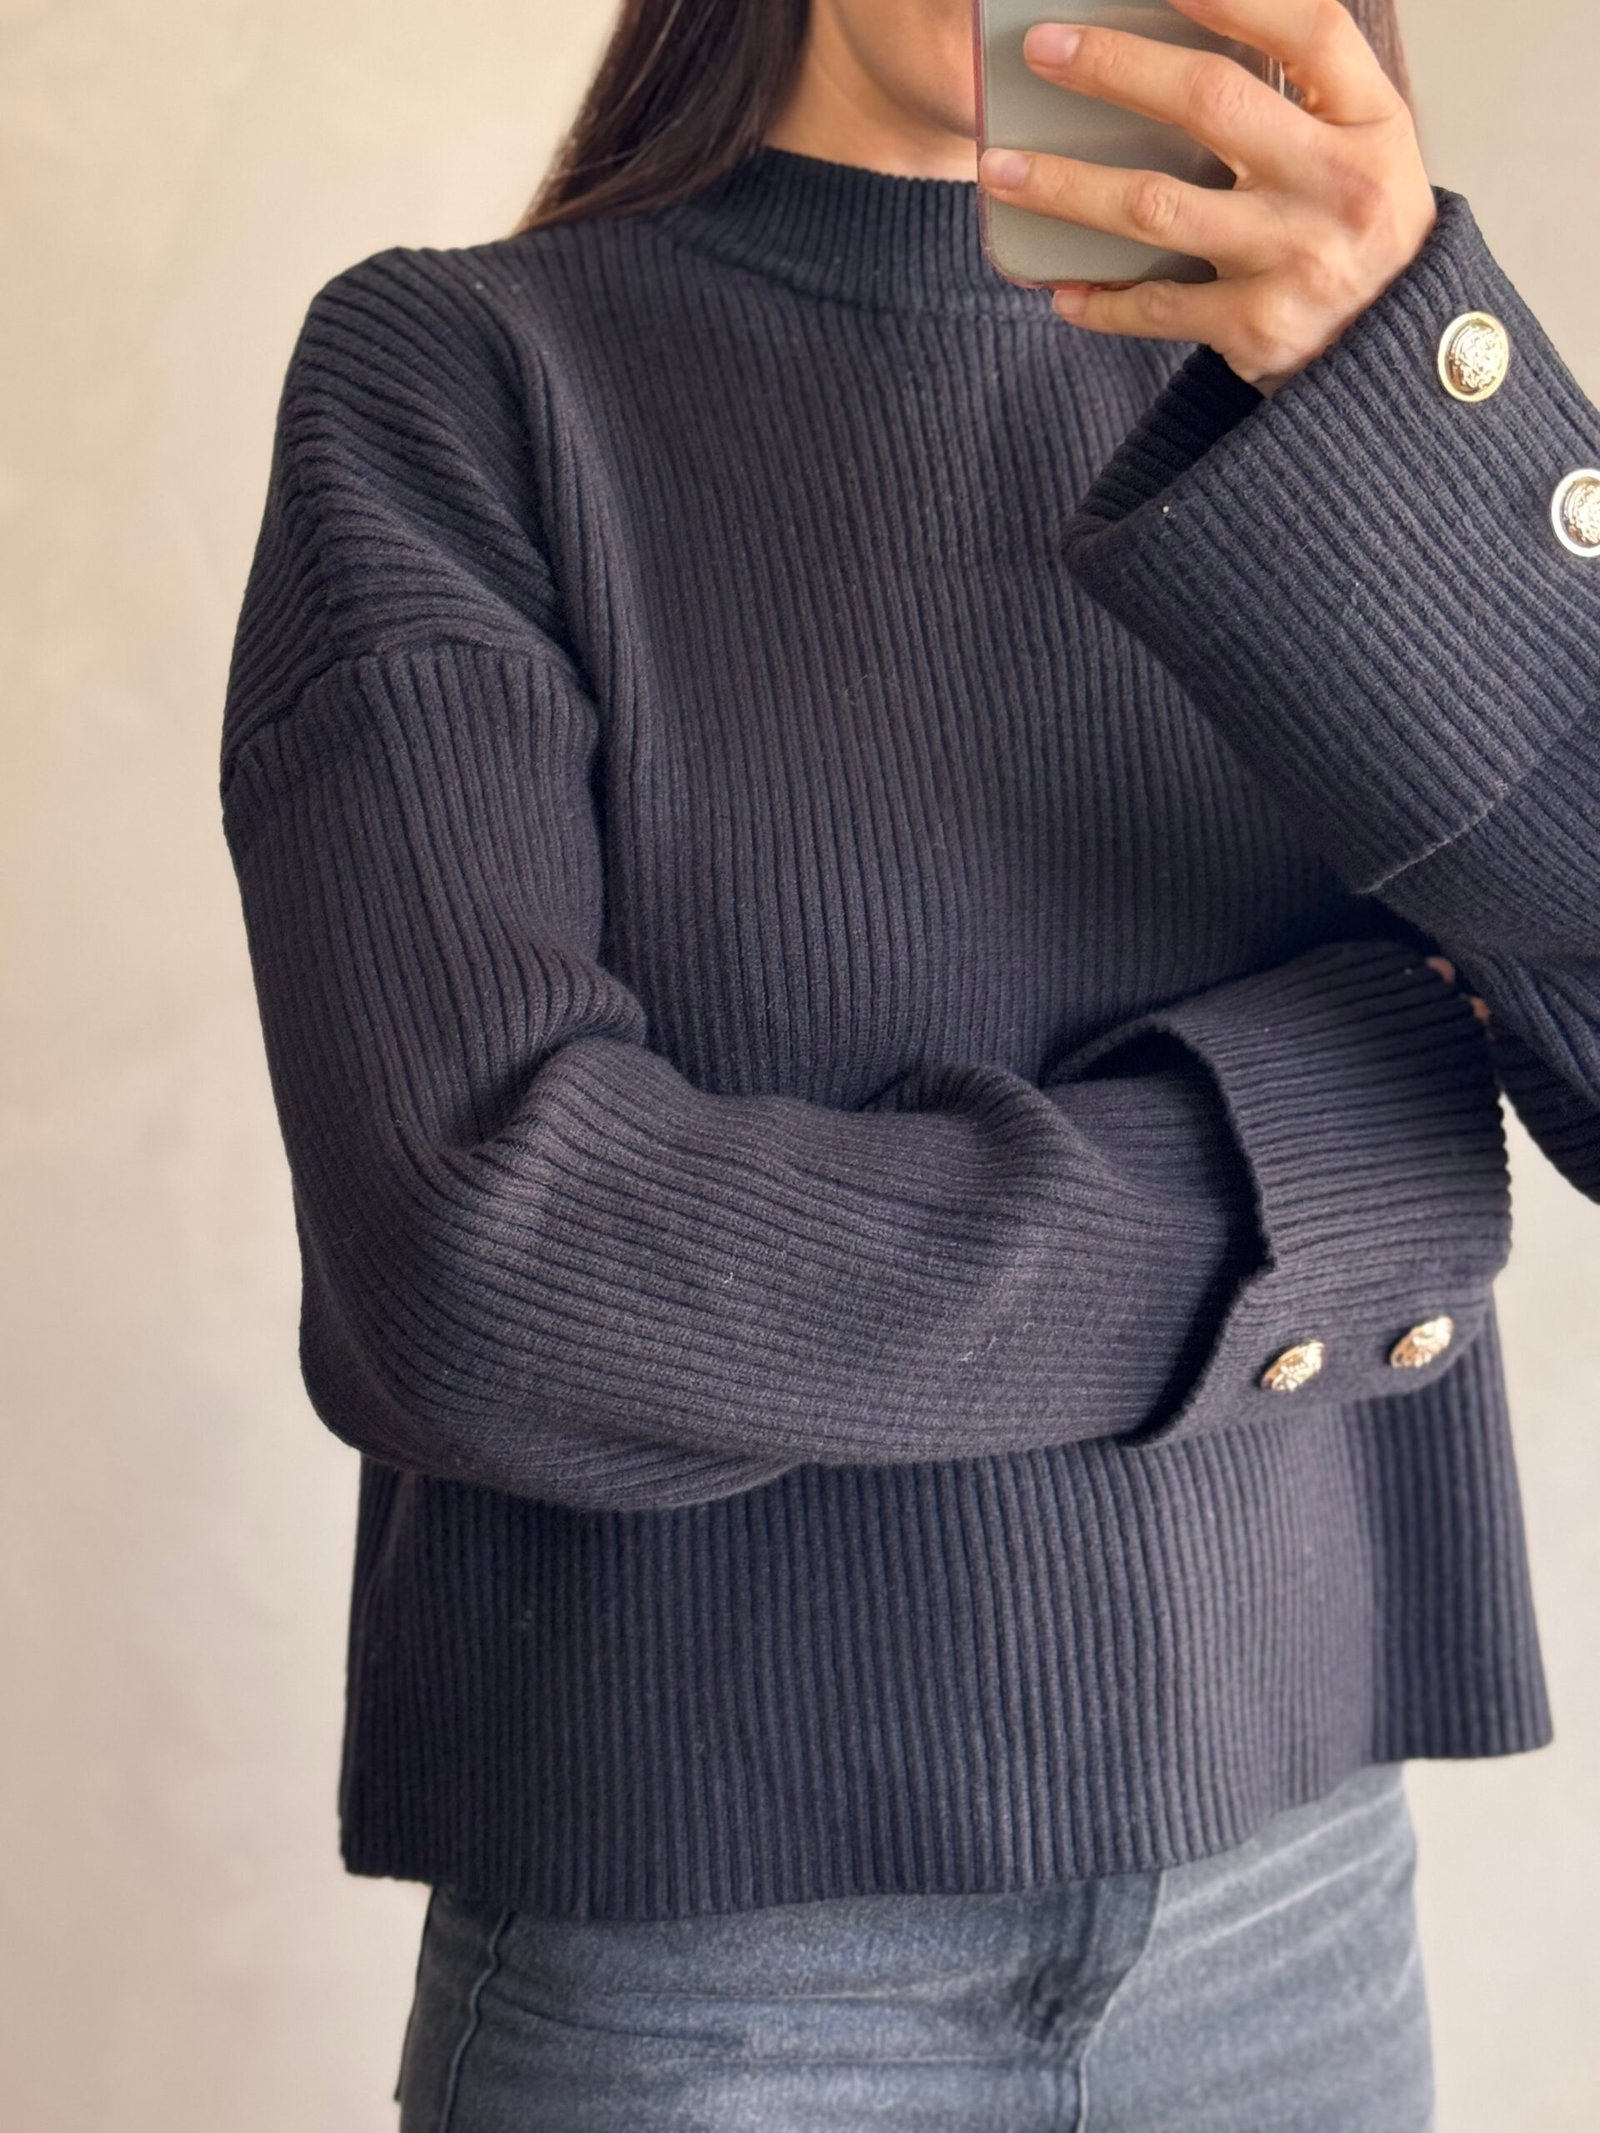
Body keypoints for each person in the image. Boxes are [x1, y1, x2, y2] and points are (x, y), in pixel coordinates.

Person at [216, 0, 1600, 2125]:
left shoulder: (1333, 386)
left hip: (1298, 1930)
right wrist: (1321, 1182)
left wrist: (1420, 392)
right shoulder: (462, 377)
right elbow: (487, 1270)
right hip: (705, 1988)